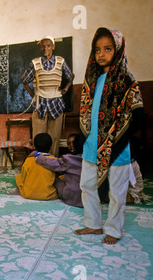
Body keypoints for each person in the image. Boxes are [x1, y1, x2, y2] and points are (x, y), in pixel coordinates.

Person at [74, 28, 145, 245]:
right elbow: (87, 111)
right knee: (87, 186)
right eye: (97, 50)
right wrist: (82, 137)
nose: (101, 54)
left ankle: (114, 229)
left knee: (117, 191)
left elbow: (138, 114)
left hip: (117, 146)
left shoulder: (126, 79)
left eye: (108, 48)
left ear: (118, 49)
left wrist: (122, 141)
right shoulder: (92, 79)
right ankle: (94, 224)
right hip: (91, 144)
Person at [21, 36, 75, 157]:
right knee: (38, 137)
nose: (46, 48)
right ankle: (39, 164)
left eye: (49, 46)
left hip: (56, 103)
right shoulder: (35, 63)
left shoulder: (60, 61)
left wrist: (66, 88)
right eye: (43, 46)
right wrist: (32, 94)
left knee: (54, 137)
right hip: (40, 102)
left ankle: (52, 165)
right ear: (40, 48)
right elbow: (24, 79)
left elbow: (71, 76)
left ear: (53, 47)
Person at [34, 133, 83, 207]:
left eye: (74, 143)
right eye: (69, 143)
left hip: (71, 197)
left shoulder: (68, 159)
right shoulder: (88, 159)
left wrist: (37, 156)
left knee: (55, 180)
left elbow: (52, 163)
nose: (71, 145)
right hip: (84, 198)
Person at [15, 133, 58, 200]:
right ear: (51, 147)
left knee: (19, 177)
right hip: (49, 195)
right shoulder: (54, 160)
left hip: (28, 194)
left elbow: (24, 176)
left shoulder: (29, 160)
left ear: (34, 146)